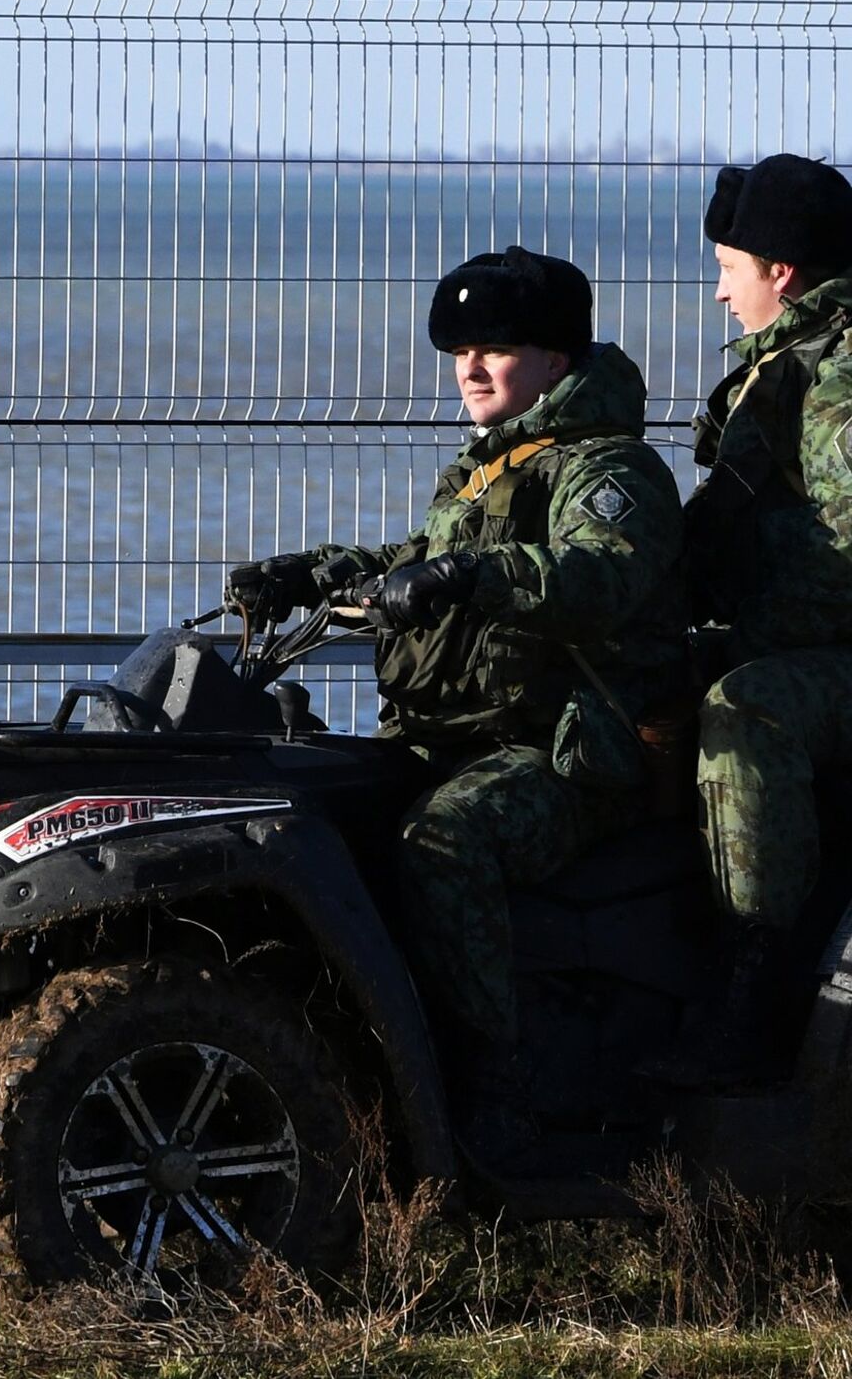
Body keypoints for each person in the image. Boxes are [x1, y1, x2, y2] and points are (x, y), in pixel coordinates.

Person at [230, 246, 684, 1166]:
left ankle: (492, 1090)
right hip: (456, 738)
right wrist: (314, 572)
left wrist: (475, 575)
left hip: (566, 756)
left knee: (444, 843)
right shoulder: (490, 465)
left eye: (495, 350)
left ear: (555, 359)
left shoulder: (610, 471)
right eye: (460, 352)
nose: (471, 369)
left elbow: (601, 575)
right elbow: (418, 560)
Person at [655, 154, 852, 1087]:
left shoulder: (840, 381)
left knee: (748, 710)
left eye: (731, 269)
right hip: (811, 639)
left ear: (782, 269)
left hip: (830, 655)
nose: (722, 293)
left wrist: (744, 639)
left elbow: (844, 558)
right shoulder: (793, 364)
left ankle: (758, 993)